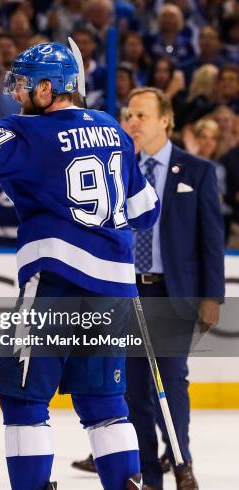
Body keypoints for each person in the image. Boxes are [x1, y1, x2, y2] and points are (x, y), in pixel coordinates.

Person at [0, 38, 160, 489]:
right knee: (105, 405)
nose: (17, 94)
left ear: (48, 88)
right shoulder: (112, 128)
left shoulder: (30, 133)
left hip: (57, 282)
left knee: (23, 400)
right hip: (115, 290)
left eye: (23, 85)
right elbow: (146, 210)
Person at [123, 87, 224, 490]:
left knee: (171, 380)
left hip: (171, 291)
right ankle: (149, 474)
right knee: (133, 388)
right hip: (125, 293)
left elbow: (210, 239)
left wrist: (211, 296)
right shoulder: (116, 168)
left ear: (166, 119)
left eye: (141, 115)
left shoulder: (196, 171)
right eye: (129, 115)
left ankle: (182, 462)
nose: (132, 122)